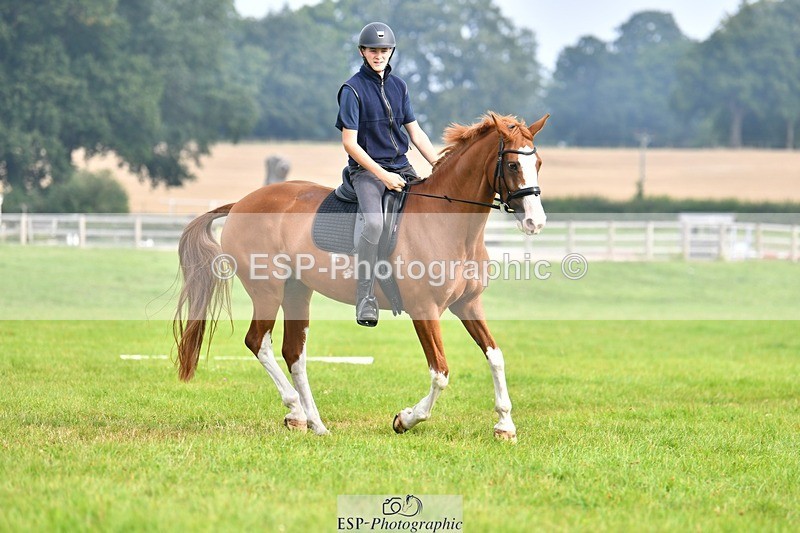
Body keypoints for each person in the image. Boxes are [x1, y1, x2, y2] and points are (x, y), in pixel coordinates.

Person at [335, 22, 439, 327]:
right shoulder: (352, 90)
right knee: (374, 224)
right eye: (373, 50)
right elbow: (350, 143)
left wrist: (439, 164)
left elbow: (416, 133)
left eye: (384, 50)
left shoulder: (399, 86)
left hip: (401, 165)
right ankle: (365, 297)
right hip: (367, 172)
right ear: (362, 52)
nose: (378, 55)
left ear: (391, 51)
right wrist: (382, 175)